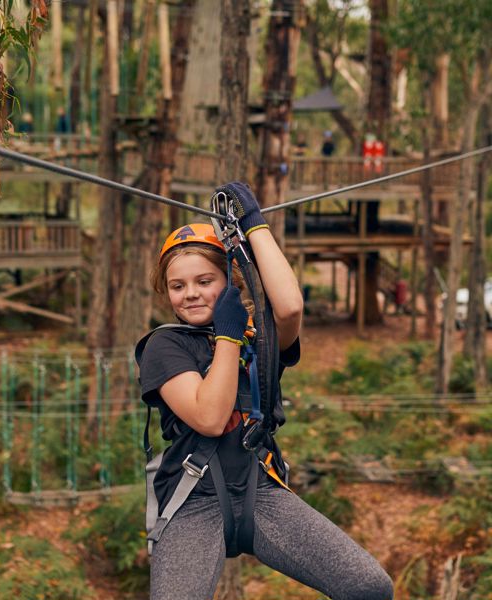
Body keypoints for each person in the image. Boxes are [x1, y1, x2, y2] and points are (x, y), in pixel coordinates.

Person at [136, 182, 393, 600]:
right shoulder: (165, 346)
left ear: (230, 280)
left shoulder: (260, 337)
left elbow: (289, 307)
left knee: (369, 586)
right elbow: (210, 417)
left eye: (205, 280)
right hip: (192, 500)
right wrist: (229, 337)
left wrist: (254, 225)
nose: (192, 294)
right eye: (178, 286)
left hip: (261, 489)